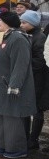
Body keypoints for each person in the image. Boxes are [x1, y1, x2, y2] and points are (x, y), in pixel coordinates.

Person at [0, 12, 37, 159]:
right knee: (4, 117)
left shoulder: (18, 39)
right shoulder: (5, 37)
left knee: (12, 118)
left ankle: (16, 148)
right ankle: (4, 145)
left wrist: (15, 85)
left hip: (11, 87)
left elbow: (20, 65)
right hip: (1, 85)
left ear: (8, 22)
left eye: (0, 21)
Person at [19, 10, 49, 150]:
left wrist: (25, 65)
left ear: (32, 23)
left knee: (37, 108)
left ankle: (33, 138)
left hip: (37, 78)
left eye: (24, 22)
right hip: (27, 76)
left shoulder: (40, 37)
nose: (22, 24)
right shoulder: (25, 34)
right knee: (25, 106)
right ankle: (25, 135)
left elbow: (40, 61)